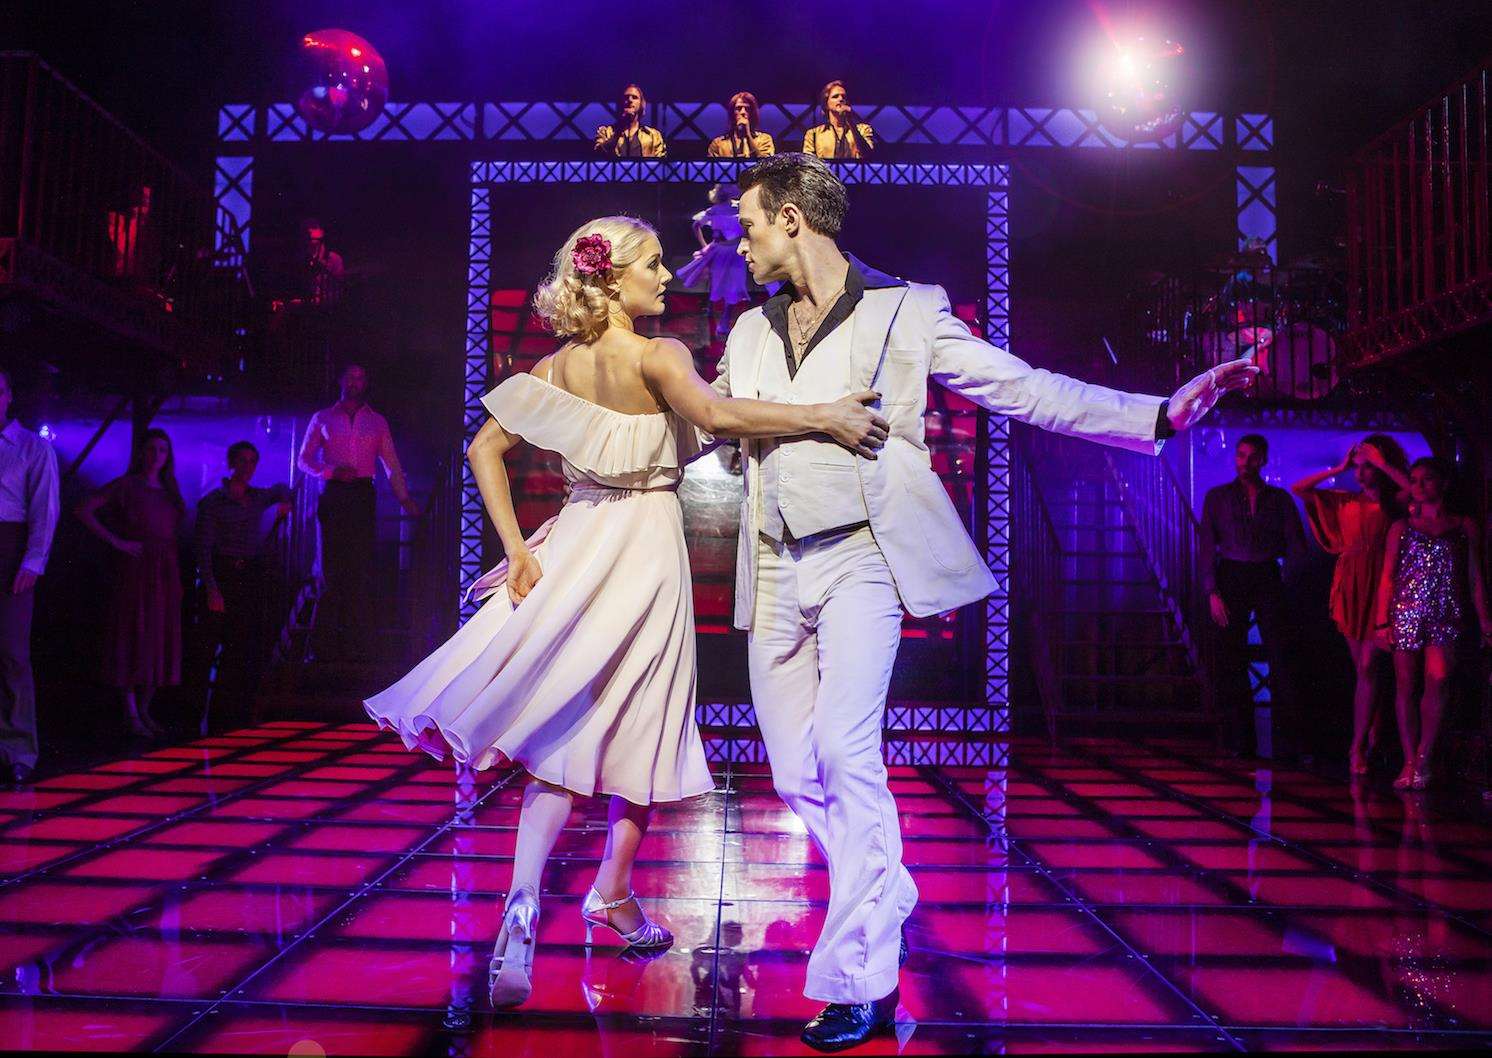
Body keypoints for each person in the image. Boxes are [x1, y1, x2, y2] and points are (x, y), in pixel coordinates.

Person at [716, 153, 1257, 1051]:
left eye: (749, 224)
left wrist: (1157, 414)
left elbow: (1022, 387)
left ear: (793, 221)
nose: (740, 241)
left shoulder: (908, 309)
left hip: (866, 560)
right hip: (773, 564)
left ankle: (860, 978)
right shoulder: (745, 333)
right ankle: (885, 885)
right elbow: (711, 425)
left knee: (847, 757)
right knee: (794, 776)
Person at [364, 215, 887, 1012]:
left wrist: (522, 548)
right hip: (642, 547)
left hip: (577, 540)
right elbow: (716, 421)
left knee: (564, 732)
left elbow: (482, 450)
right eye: (652, 263)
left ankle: (526, 897)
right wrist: (825, 416)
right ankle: (609, 890)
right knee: (642, 724)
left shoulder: (560, 365)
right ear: (611, 279)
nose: (668, 275)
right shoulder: (659, 354)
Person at [1292, 435, 1411, 776]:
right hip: (1351, 585)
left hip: (1383, 585)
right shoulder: (1346, 501)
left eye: (1367, 468)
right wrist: (1339, 467)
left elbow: (1415, 495)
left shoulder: (1395, 502)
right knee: (1364, 670)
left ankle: (1358, 747)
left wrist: (1384, 463)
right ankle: (1372, 741)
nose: (1361, 474)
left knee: (1370, 669)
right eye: (1359, 468)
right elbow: (1299, 489)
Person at [1372, 457, 1491, 790]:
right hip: (1406, 610)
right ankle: (1409, 760)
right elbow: (1387, 576)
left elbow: (1474, 576)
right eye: (1414, 479)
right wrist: (1382, 622)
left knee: (1438, 679)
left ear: (1443, 483)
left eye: (1427, 479)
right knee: (1406, 686)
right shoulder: (1401, 527)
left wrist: (1485, 621)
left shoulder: (1463, 526)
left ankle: (1424, 756)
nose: (1420, 485)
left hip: (1446, 612)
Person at [297, 364, 420, 661]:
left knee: (359, 568)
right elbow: (303, 460)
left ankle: (354, 645)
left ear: (366, 383)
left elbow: (390, 461)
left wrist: (404, 499)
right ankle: (321, 646)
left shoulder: (376, 422)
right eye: (350, 377)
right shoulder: (323, 418)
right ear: (341, 380)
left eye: (360, 378)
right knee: (330, 569)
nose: (354, 382)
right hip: (334, 494)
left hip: (362, 495)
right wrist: (330, 472)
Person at [1200, 434, 1308, 757]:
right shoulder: (1218, 497)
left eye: (1251, 457)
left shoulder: (1279, 499)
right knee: (1232, 656)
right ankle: (1240, 741)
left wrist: (1285, 578)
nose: (1244, 462)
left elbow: (1297, 545)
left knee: (1282, 655)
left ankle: (1289, 741)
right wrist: (1212, 591)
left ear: (1263, 460)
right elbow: (1206, 546)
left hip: (1265, 573)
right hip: (1232, 573)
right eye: (1240, 455)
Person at [76, 428, 186, 739]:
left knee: (159, 638)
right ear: (142, 452)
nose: (157, 455)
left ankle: (145, 709)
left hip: (165, 570)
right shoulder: (127, 485)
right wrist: (118, 542)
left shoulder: (169, 490)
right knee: (133, 635)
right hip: (136, 570)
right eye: (151, 449)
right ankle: (132, 712)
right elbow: (83, 510)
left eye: (163, 450)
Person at [194, 441, 293, 732]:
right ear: (232, 463)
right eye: (243, 461)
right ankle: (196, 716)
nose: (248, 467)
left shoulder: (256, 497)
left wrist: (282, 505)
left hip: (246, 577)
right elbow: (203, 549)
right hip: (222, 573)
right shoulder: (214, 501)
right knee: (208, 647)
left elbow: (280, 488)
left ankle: (227, 716)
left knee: (238, 650)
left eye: (252, 461)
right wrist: (212, 587)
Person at [0, 367, 60, 785]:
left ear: (7, 396)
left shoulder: (30, 447)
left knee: (11, 653)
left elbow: (45, 508)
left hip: (9, 550)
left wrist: (32, 562)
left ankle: (20, 748)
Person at [676, 184, 750, 338]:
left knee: (731, 284)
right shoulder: (716, 211)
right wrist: (705, 246)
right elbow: (696, 225)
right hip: (723, 250)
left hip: (732, 251)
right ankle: (717, 317)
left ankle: (722, 320)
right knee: (721, 282)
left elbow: (696, 225)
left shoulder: (734, 208)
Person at [802, 81, 876, 160]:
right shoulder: (813, 134)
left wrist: (851, 122)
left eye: (844, 97)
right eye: (835, 96)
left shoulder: (863, 129)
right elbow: (808, 165)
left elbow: (868, 156)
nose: (841, 99)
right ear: (826, 104)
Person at [593, 84, 668, 158]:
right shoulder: (605, 132)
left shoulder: (654, 135)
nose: (629, 100)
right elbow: (598, 155)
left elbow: (661, 162)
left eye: (634, 97)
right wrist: (618, 133)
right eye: (626, 97)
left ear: (641, 104)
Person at [708, 91, 775, 158]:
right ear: (732, 113)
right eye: (738, 108)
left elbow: (764, 165)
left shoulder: (764, 139)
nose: (743, 112)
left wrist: (748, 136)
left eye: (747, 109)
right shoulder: (718, 143)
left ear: (752, 113)